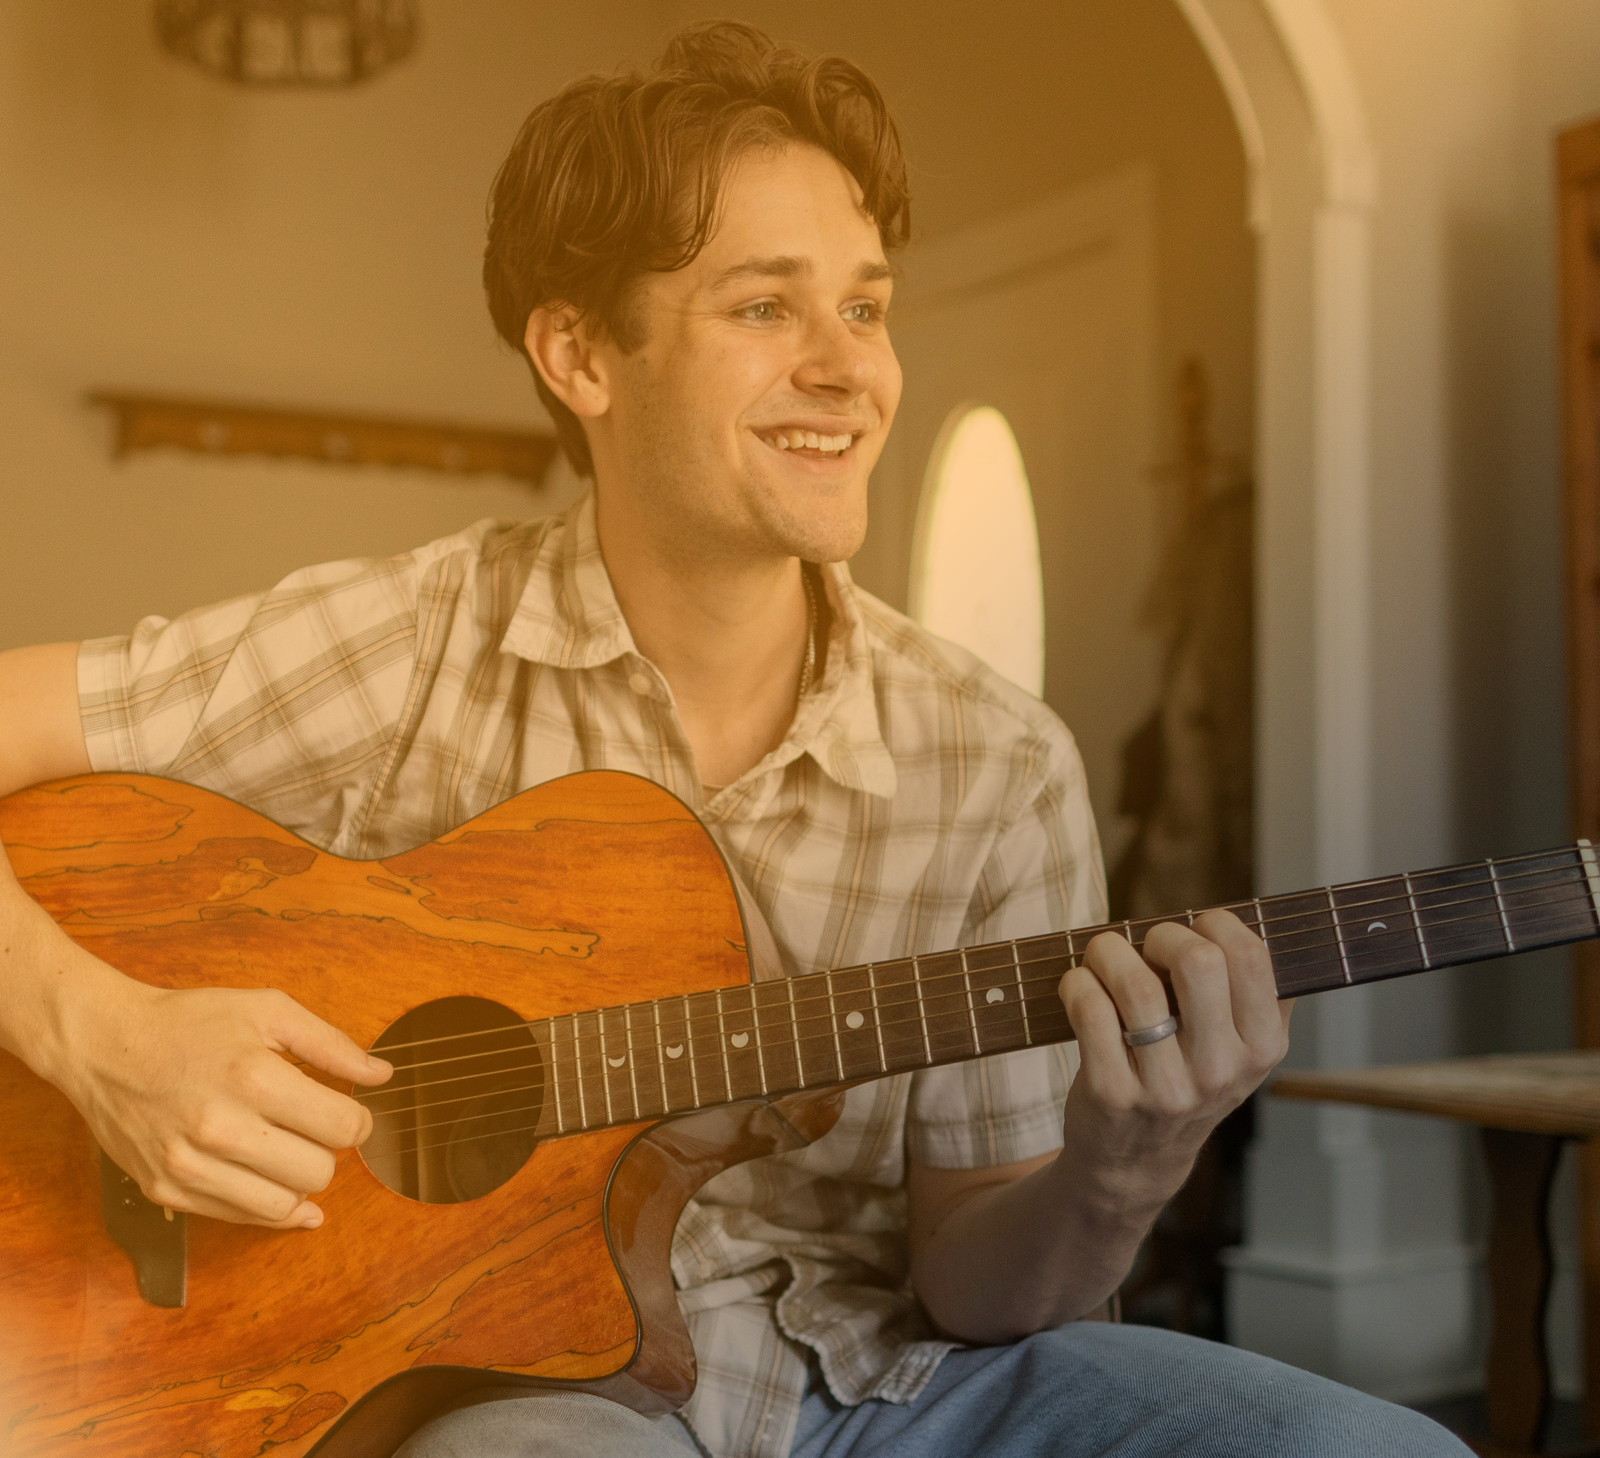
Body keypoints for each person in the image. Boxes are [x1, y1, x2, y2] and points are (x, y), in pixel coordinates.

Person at [0, 21, 1466, 1458]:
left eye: (869, 307)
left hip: (898, 1382)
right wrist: (103, 1033)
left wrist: (1122, 1165)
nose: (850, 368)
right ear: (582, 352)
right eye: (768, 307)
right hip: (525, 1384)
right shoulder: (405, 641)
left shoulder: (997, 760)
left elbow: (980, 1280)